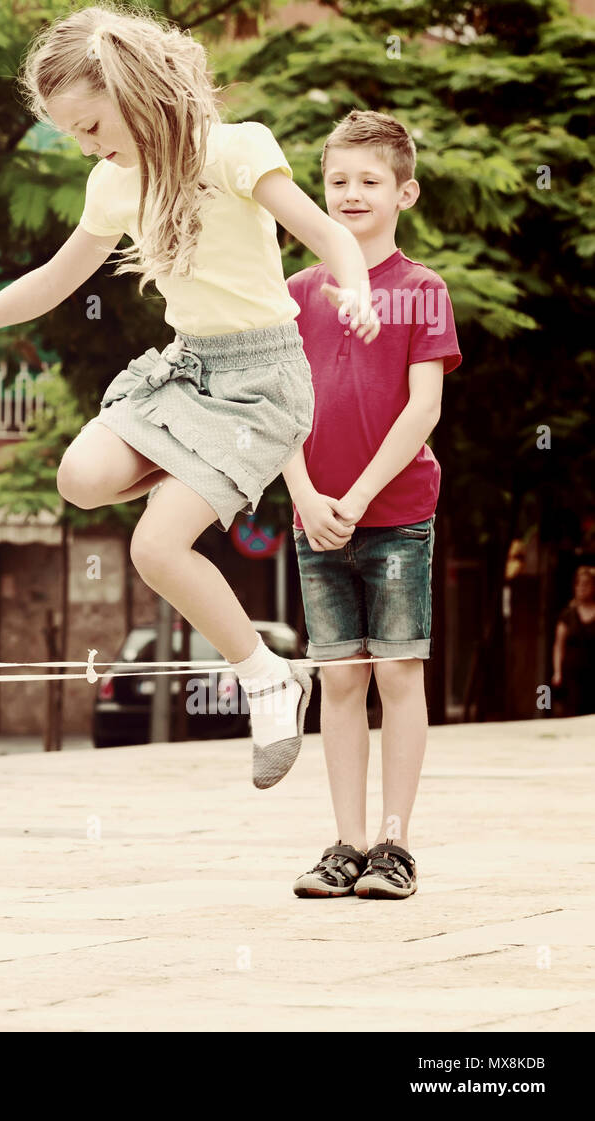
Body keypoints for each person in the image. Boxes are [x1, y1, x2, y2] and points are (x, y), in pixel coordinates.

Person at [0, 4, 379, 788]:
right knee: (80, 476)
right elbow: (56, 280)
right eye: (75, 135)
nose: (90, 144)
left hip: (262, 382)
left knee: (155, 549)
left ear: (132, 88)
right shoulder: (112, 184)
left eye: (92, 124)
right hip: (187, 369)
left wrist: (359, 291)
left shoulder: (236, 150)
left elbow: (329, 234)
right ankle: (193, 477)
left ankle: (268, 676)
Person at [284, 110, 461, 900]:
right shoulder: (293, 292)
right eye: (336, 181)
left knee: (397, 672)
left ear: (405, 191)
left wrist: (354, 497)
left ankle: (395, 844)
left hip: (395, 514)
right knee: (340, 680)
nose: (350, 194)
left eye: (368, 181)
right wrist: (303, 494)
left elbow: (422, 408)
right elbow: (273, 404)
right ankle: (345, 843)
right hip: (312, 513)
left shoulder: (422, 291)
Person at [553, 565, 595, 717]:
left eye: (587, 584)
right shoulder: (568, 614)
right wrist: (557, 672)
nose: (582, 588)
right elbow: (559, 645)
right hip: (573, 675)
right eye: (579, 584)